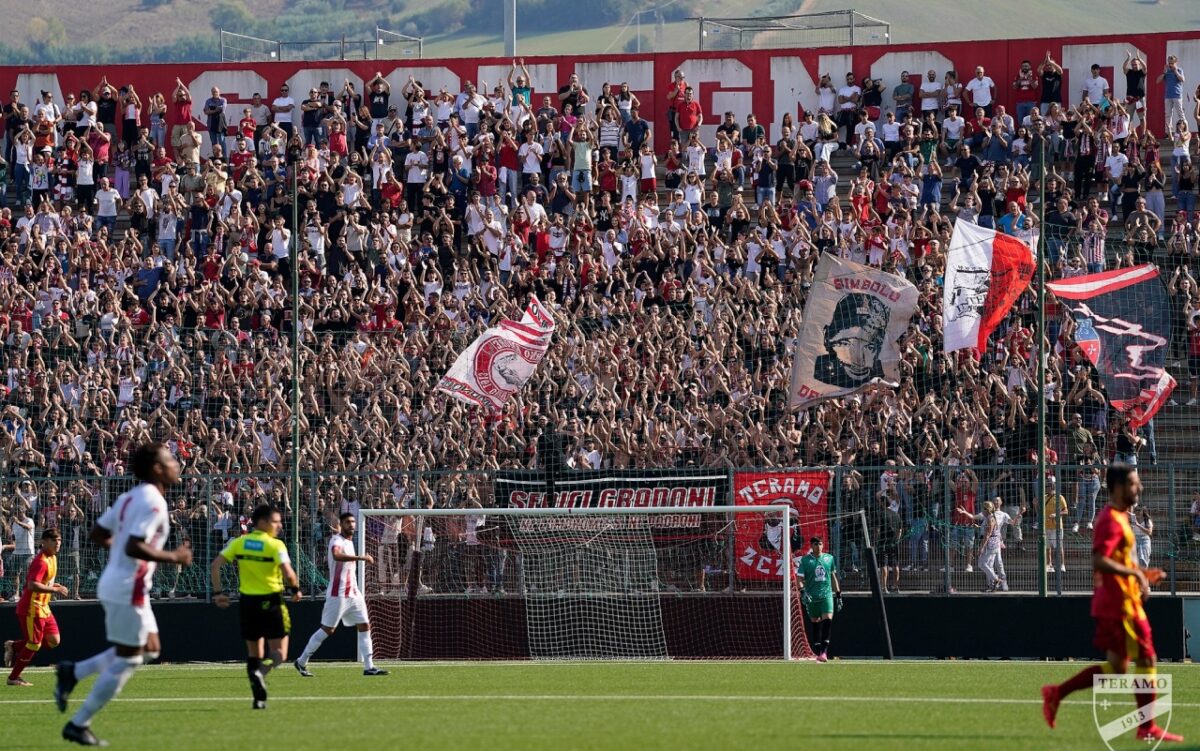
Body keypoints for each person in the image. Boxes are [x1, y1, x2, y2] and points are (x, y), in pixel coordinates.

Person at [56, 443, 193, 747]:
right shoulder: (154, 503)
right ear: (157, 469)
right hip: (128, 586)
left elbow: (98, 534)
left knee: (151, 648)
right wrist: (174, 557)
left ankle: (73, 671)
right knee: (129, 659)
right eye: (171, 459)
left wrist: (118, 551)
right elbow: (133, 545)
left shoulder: (131, 496)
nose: (177, 463)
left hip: (122, 583)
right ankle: (79, 723)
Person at [1041, 465, 1182, 744]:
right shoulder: (1109, 520)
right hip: (1120, 605)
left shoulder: (1119, 517)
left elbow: (1119, 559)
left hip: (1123, 600)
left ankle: (1056, 693)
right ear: (1117, 487)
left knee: (1118, 667)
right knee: (1147, 658)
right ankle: (1147, 726)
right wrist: (1134, 574)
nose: (1138, 488)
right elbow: (1099, 560)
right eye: (1133, 483)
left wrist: (1142, 574)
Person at [210, 503, 301, 709]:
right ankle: (262, 671)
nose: (279, 526)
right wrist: (295, 590)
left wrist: (218, 593)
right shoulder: (275, 545)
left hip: (248, 603)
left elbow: (215, 565)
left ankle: (258, 699)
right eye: (275, 522)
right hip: (272, 602)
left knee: (254, 653)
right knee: (279, 653)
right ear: (262, 522)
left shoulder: (240, 542)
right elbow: (288, 573)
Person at [294, 512, 388, 677]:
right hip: (338, 594)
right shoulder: (336, 540)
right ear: (342, 524)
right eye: (347, 522)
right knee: (328, 630)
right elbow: (336, 555)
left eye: (353, 522)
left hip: (354, 593)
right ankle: (301, 661)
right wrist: (361, 558)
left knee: (365, 625)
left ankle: (369, 666)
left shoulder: (350, 542)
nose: (351, 525)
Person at [4, 528, 68, 686]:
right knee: (34, 643)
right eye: (53, 540)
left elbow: (41, 582)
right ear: (43, 542)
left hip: (43, 606)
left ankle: (13, 645)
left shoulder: (52, 557)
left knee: (54, 640)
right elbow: (32, 585)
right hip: (32, 608)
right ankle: (13, 678)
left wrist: (54, 585)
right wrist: (54, 589)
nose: (57, 543)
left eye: (59, 540)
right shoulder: (41, 561)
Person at [813, 293, 888, 388]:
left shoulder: (881, 372)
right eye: (846, 343)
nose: (858, 358)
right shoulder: (821, 372)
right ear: (827, 340)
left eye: (869, 346)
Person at [799, 536, 841, 663]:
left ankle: (824, 652)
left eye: (821, 544)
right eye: (816, 544)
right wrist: (803, 592)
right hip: (812, 598)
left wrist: (838, 595)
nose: (819, 546)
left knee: (827, 620)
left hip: (826, 596)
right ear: (811, 546)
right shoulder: (805, 560)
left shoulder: (829, 558)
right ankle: (818, 652)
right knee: (815, 623)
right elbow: (799, 579)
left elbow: (833, 577)